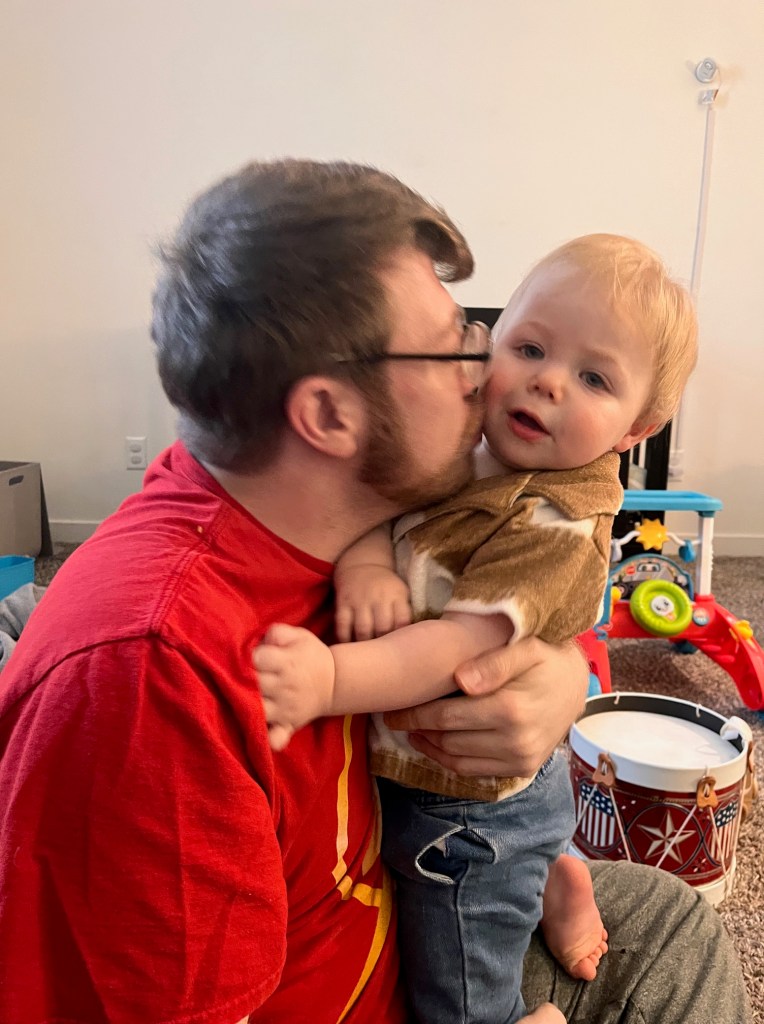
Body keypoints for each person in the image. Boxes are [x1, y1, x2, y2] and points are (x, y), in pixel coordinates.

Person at [0, 160, 750, 1024]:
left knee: (674, 920)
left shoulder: (318, 502)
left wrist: (556, 680)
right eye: (456, 343)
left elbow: (520, 586)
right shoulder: (150, 684)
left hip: (424, 853)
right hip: (405, 950)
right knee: (669, 954)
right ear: (329, 417)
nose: (484, 373)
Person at [255, 234, 699, 1023]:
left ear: (638, 426)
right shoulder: (463, 442)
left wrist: (329, 681)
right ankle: (557, 872)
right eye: (529, 347)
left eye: (594, 378)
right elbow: (376, 506)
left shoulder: (556, 520)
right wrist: (367, 566)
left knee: (453, 992)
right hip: (456, 776)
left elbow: (456, 650)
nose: (547, 381)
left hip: (469, 815)